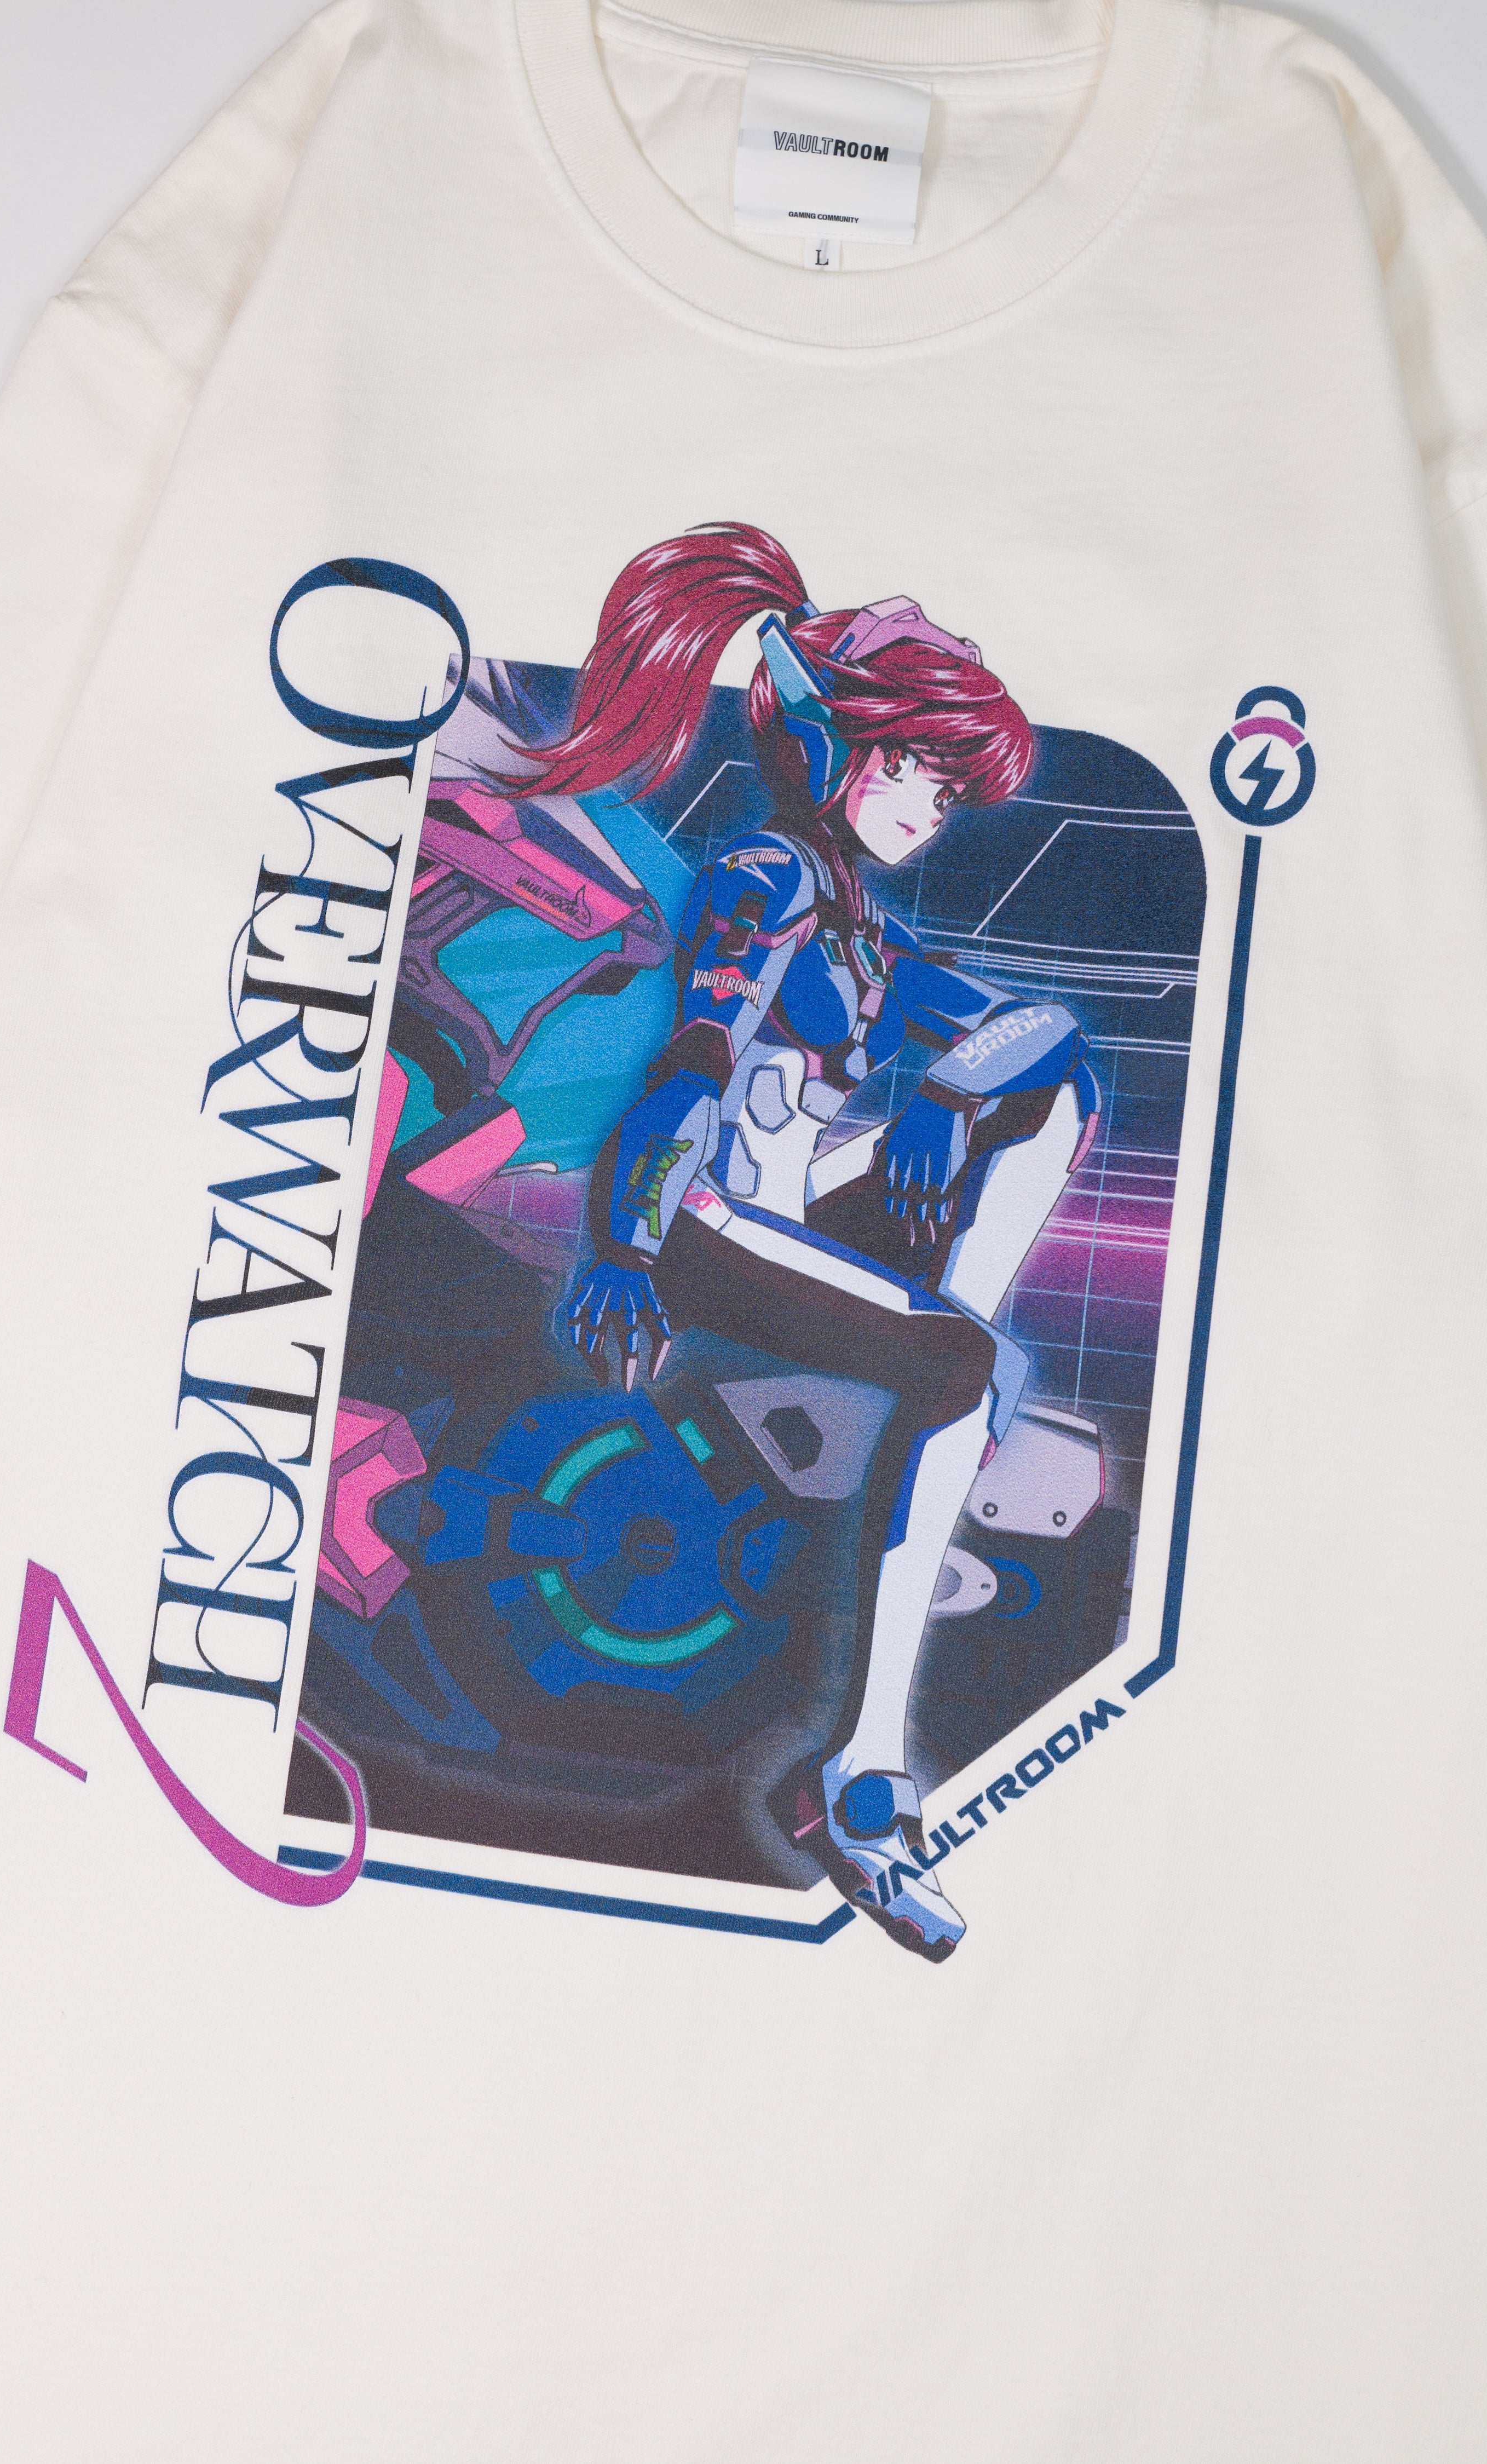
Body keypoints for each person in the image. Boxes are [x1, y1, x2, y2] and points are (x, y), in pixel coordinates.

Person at [519, 523, 1100, 1958]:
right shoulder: (769, 876)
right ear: (833, 741)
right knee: (962, 1368)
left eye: (947, 787)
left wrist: (950, 1092)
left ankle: (954, 1377)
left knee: (1055, 1091)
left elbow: (1038, 1035)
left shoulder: (860, 930)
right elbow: (694, 1062)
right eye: (911, 767)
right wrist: (627, 1246)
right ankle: (861, 1784)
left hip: (788, 1211)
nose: (928, 807)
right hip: (703, 1220)